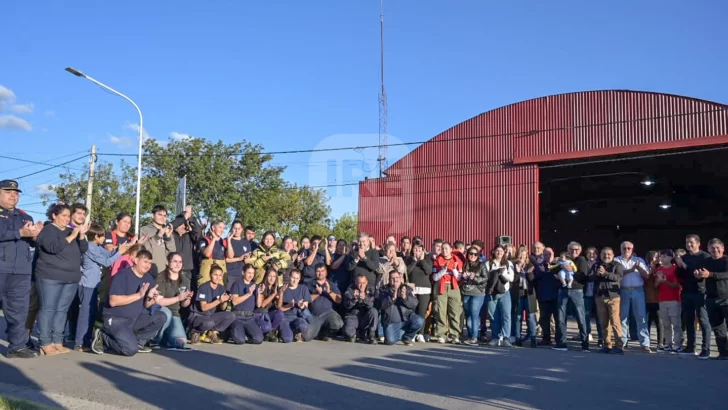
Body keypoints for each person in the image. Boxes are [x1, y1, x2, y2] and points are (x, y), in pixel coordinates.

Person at [34, 204, 89, 356]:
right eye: (63, 216)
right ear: (54, 215)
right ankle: (45, 342)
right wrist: (71, 236)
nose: (66, 219)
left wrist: (82, 235)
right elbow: (52, 247)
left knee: (62, 310)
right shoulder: (48, 230)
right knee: (48, 309)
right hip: (50, 276)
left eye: (68, 216)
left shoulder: (72, 230)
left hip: (71, 278)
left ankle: (58, 340)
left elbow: (83, 249)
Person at [91, 250, 167, 356]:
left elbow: (146, 305)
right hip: (116, 319)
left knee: (161, 316)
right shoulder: (122, 276)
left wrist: (151, 298)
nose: (148, 265)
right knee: (130, 350)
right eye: (145, 262)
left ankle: (139, 342)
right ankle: (103, 336)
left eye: (150, 263)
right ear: (136, 260)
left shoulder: (148, 278)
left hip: (134, 318)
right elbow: (113, 302)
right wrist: (138, 295)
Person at [0, 179, 43, 358]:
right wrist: (20, 233)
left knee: (19, 310)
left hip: (21, 270)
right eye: (8, 191)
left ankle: (17, 346)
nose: (13, 195)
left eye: (16, 193)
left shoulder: (25, 217)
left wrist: (36, 235)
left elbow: (32, 241)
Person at [75, 224, 125, 351]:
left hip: (94, 284)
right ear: (96, 236)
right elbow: (106, 262)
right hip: (87, 285)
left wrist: (124, 248)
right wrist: (119, 252)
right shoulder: (89, 248)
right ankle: (79, 342)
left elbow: (109, 254)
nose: (104, 238)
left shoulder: (97, 247)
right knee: (85, 314)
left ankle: (87, 340)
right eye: (102, 236)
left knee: (92, 314)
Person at [675, 234, 711, 357]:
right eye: (686, 243)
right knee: (688, 320)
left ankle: (706, 348)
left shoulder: (705, 257)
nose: (689, 245)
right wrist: (679, 266)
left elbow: (701, 272)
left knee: (703, 320)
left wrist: (685, 266)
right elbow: (679, 275)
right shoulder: (684, 257)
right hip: (687, 291)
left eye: (691, 242)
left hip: (700, 292)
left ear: (698, 243)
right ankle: (690, 347)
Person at [615, 241, 652, 353]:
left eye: (629, 248)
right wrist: (631, 270)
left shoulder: (639, 260)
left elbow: (647, 276)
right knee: (623, 317)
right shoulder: (616, 260)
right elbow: (617, 275)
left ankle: (645, 343)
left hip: (638, 290)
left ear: (633, 249)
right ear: (620, 249)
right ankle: (622, 342)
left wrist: (639, 268)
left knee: (641, 317)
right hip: (623, 290)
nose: (626, 250)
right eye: (624, 248)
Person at [152, 253, 193, 349]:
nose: (178, 264)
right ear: (168, 263)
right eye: (175, 261)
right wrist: (178, 298)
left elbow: (184, 305)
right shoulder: (160, 278)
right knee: (166, 313)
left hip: (175, 314)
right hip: (161, 311)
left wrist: (187, 299)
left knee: (180, 342)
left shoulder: (185, 280)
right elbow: (158, 301)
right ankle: (154, 338)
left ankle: (165, 338)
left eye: (180, 262)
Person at [554, 242, 589, 352]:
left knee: (581, 317)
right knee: (560, 317)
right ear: (568, 250)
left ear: (580, 250)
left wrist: (572, 271)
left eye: (577, 249)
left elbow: (584, 275)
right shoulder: (561, 259)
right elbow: (553, 270)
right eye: (572, 249)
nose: (574, 251)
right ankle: (561, 343)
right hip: (563, 290)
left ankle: (585, 344)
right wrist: (560, 266)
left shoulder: (581, 260)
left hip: (576, 290)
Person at [188, 264, 236, 344]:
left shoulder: (222, 288)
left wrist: (225, 301)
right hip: (198, 315)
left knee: (231, 315)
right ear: (210, 275)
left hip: (211, 316)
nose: (218, 277)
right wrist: (219, 300)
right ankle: (195, 332)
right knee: (209, 322)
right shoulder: (203, 287)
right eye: (215, 275)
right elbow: (203, 308)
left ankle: (212, 332)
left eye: (220, 275)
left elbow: (223, 308)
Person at [591, 247, 625, 354]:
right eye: (604, 254)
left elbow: (618, 278)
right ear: (600, 255)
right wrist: (596, 275)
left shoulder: (617, 265)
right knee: (603, 322)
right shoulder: (596, 265)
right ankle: (607, 344)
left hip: (613, 297)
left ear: (613, 255)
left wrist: (605, 273)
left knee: (615, 321)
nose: (606, 256)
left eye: (609, 254)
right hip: (600, 297)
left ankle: (619, 346)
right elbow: (590, 278)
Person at [376, 270, 423, 345]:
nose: (395, 280)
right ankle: (397, 334)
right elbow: (380, 305)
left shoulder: (407, 289)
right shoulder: (383, 290)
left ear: (400, 278)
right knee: (390, 341)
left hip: (406, 319)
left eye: (397, 277)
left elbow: (414, 304)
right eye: (392, 278)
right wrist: (392, 298)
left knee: (419, 321)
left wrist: (405, 298)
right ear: (389, 279)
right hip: (391, 322)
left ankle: (407, 337)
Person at [432, 242, 464, 344]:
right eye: (442, 248)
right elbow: (434, 277)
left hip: (453, 287)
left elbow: (459, 277)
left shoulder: (456, 259)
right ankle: (441, 334)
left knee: (455, 311)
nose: (444, 251)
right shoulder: (438, 260)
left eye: (446, 248)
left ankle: (455, 335)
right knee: (441, 311)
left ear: (451, 249)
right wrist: (443, 270)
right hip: (441, 286)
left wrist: (454, 270)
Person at [702, 238, 728, 360]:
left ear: (723, 248)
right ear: (708, 249)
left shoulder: (726, 260)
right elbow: (703, 276)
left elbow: (726, 274)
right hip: (712, 299)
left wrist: (710, 274)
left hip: (726, 298)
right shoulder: (706, 261)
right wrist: (698, 276)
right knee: (718, 328)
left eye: (718, 247)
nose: (715, 250)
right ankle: (723, 353)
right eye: (712, 248)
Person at [304, 264, 344, 341]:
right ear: (315, 272)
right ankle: (317, 331)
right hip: (314, 315)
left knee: (338, 323)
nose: (320, 273)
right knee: (306, 336)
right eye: (318, 271)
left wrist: (329, 292)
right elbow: (306, 300)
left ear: (326, 272)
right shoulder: (309, 284)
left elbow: (339, 300)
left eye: (322, 271)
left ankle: (323, 333)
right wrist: (317, 293)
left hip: (328, 313)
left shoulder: (331, 284)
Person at [484, 246, 515, 347]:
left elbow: (511, 278)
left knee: (506, 315)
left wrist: (503, 273)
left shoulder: (508, 263)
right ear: (493, 252)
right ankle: (495, 337)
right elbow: (485, 278)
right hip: (492, 293)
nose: (499, 253)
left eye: (501, 251)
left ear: (504, 252)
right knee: (493, 316)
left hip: (504, 293)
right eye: (497, 251)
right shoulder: (488, 264)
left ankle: (506, 338)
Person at [228, 264, 265, 345]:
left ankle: (246, 332)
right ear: (243, 273)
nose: (250, 275)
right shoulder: (237, 284)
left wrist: (258, 293)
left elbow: (258, 305)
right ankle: (232, 332)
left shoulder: (254, 285)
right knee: (240, 341)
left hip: (249, 318)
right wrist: (248, 294)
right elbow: (235, 301)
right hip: (238, 316)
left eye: (252, 273)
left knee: (258, 339)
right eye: (248, 273)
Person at [654, 250, 681, 352]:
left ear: (671, 258)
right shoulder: (659, 269)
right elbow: (655, 286)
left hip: (674, 299)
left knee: (676, 323)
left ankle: (677, 344)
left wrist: (664, 281)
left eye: (664, 256)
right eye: (661, 256)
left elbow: (675, 285)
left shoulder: (675, 269)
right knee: (666, 324)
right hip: (662, 300)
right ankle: (667, 344)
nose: (662, 258)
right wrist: (659, 280)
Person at [531, 243, 558, 346]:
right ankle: (546, 338)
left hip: (556, 296)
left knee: (557, 320)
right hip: (543, 296)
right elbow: (536, 277)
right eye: (546, 254)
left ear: (553, 254)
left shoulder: (558, 264)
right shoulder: (539, 266)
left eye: (550, 254)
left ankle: (558, 339)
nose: (548, 256)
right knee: (544, 319)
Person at [460, 246, 488, 346]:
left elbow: (485, 278)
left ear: (478, 256)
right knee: (468, 315)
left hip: (478, 293)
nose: (472, 256)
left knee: (474, 315)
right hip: (466, 292)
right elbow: (459, 277)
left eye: (475, 254)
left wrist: (474, 277)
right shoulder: (464, 264)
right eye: (470, 253)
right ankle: (471, 336)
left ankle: (474, 337)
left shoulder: (481, 265)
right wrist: (462, 277)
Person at [406, 241, 433, 342]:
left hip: (424, 289)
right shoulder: (409, 259)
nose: (417, 251)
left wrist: (421, 261)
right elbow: (407, 271)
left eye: (419, 250)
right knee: (412, 312)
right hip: (412, 289)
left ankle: (420, 333)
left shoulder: (427, 259)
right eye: (415, 249)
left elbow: (429, 271)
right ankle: (412, 334)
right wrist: (414, 261)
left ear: (423, 250)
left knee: (421, 312)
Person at [139, 205, 176, 278]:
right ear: (153, 215)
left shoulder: (167, 230)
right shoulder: (145, 229)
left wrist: (168, 238)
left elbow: (172, 252)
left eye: (165, 216)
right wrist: (157, 236)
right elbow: (145, 250)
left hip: (165, 271)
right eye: (159, 215)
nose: (162, 218)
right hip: (150, 270)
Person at [277, 269, 311, 343]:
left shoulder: (303, 289)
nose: (294, 280)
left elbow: (306, 307)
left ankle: (297, 332)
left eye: (297, 278)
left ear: (299, 279)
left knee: (303, 325)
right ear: (289, 277)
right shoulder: (283, 288)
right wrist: (289, 305)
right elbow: (279, 307)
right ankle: (282, 331)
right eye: (293, 278)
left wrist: (301, 306)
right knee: (287, 339)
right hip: (285, 318)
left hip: (297, 317)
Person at [342, 275, 378, 344]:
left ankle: (371, 335)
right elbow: (346, 305)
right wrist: (354, 300)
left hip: (364, 317)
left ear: (367, 282)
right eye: (359, 283)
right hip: (353, 316)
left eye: (363, 283)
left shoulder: (370, 290)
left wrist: (365, 299)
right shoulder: (350, 290)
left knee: (374, 311)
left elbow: (372, 305)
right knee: (350, 336)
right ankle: (354, 334)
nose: (362, 285)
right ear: (355, 282)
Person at [170, 206, 201, 285]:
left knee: (187, 295)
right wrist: (183, 218)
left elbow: (198, 231)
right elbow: (170, 225)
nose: (184, 226)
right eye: (181, 224)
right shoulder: (170, 234)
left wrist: (190, 218)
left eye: (185, 224)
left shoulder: (190, 235)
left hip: (188, 271)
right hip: (172, 270)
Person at [514, 247, 538, 347]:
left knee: (531, 317)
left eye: (524, 255)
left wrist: (528, 273)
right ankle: (518, 338)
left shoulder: (530, 265)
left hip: (529, 294)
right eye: (520, 255)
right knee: (518, 317)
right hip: (519, 293)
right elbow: (513, 280)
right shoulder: (514, 265)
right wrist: (518, 271)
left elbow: (533, 280)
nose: (522, 257)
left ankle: (533, 339)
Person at [254, 268, 285, 342]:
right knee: (266, 326)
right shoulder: (261, 287)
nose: (272, 279)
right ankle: (266, 331)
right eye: (270, 276)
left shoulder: (275, 288)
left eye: (274, 276)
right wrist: (273, 295)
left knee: (280, 313)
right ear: (266, 276)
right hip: (259, 314)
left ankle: (270, 332)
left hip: (268, 314)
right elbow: (262, 305)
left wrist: (281, 294)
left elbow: (279, 306)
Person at [582, 247, 603, 347]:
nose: (591, 255)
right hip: (586, 294)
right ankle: (587, 335)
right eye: (589, 253)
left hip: (597, 293)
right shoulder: (583, 264)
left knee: (599, 317)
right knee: (586, 316)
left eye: (594, 253)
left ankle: (601, 338)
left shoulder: (600, 264)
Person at [197, 220, 228, 287]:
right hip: (207, 270)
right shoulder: (204, 240)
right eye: (220, 227)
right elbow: (207, 254)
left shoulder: (224, 242)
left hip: (220, 270)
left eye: (223, 228)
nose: (222, 230)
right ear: (213, 228)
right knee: (204, 287)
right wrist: (213, 239)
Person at [644, 250, 664, 350]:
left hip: (658, 299)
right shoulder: (645, 268)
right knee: (646, 321)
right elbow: (644, 280)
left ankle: (660, 342)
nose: (653, 260)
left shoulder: (660, 269)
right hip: (646, 299)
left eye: (656, 258)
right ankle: (646, 342)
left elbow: (659, 284)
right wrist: (650, 271)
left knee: (659, 322)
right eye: (651, 258)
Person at [225, 220, 252, 289]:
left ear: (242, 229)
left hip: (242, 274)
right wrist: (239, 258)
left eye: (239, 228)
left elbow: (248, 261)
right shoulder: (227, 241)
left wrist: (246, 258)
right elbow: (228, 259)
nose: (237, 230)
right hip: (231, 273)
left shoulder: (246, 242)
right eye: (235, 228)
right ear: (232, 228)